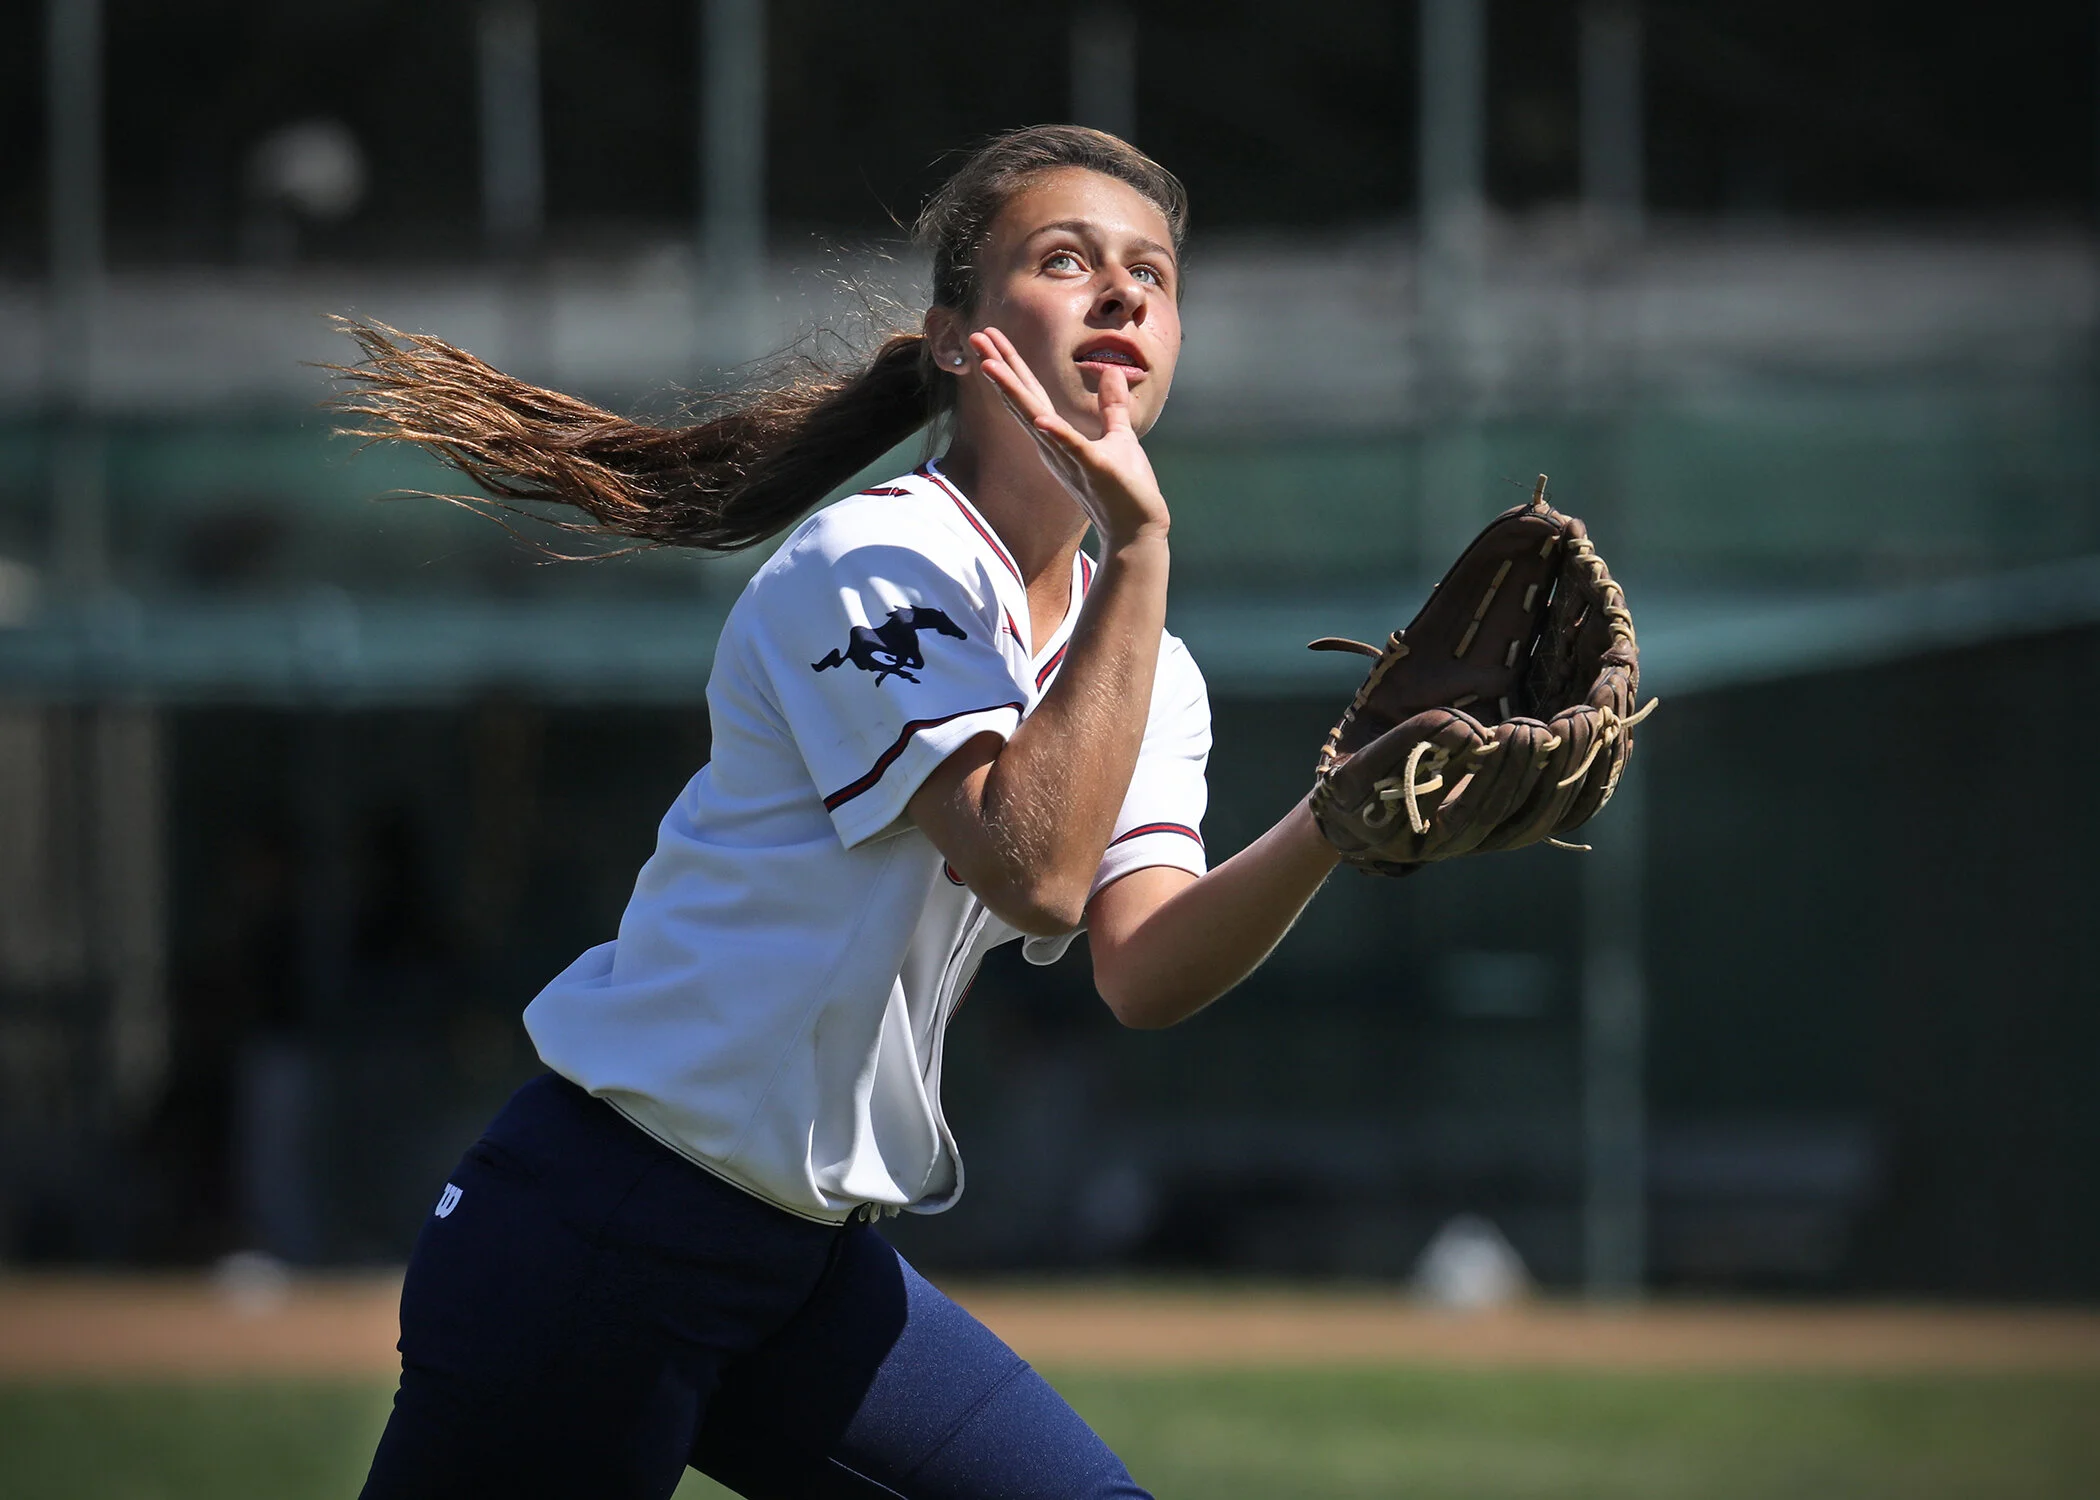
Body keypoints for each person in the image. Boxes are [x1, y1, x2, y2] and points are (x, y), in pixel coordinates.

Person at [345, 124, 1343, 1500]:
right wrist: (1147, 548)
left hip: (800, 1266)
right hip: (601, 1226)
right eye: (1067, 260)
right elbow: (1033, 868)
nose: (1124, 295)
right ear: (956, 339)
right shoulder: (877, 557)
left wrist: (1336, 824)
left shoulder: (1145, 666)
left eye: (1153, 276)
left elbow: (1143, 963)